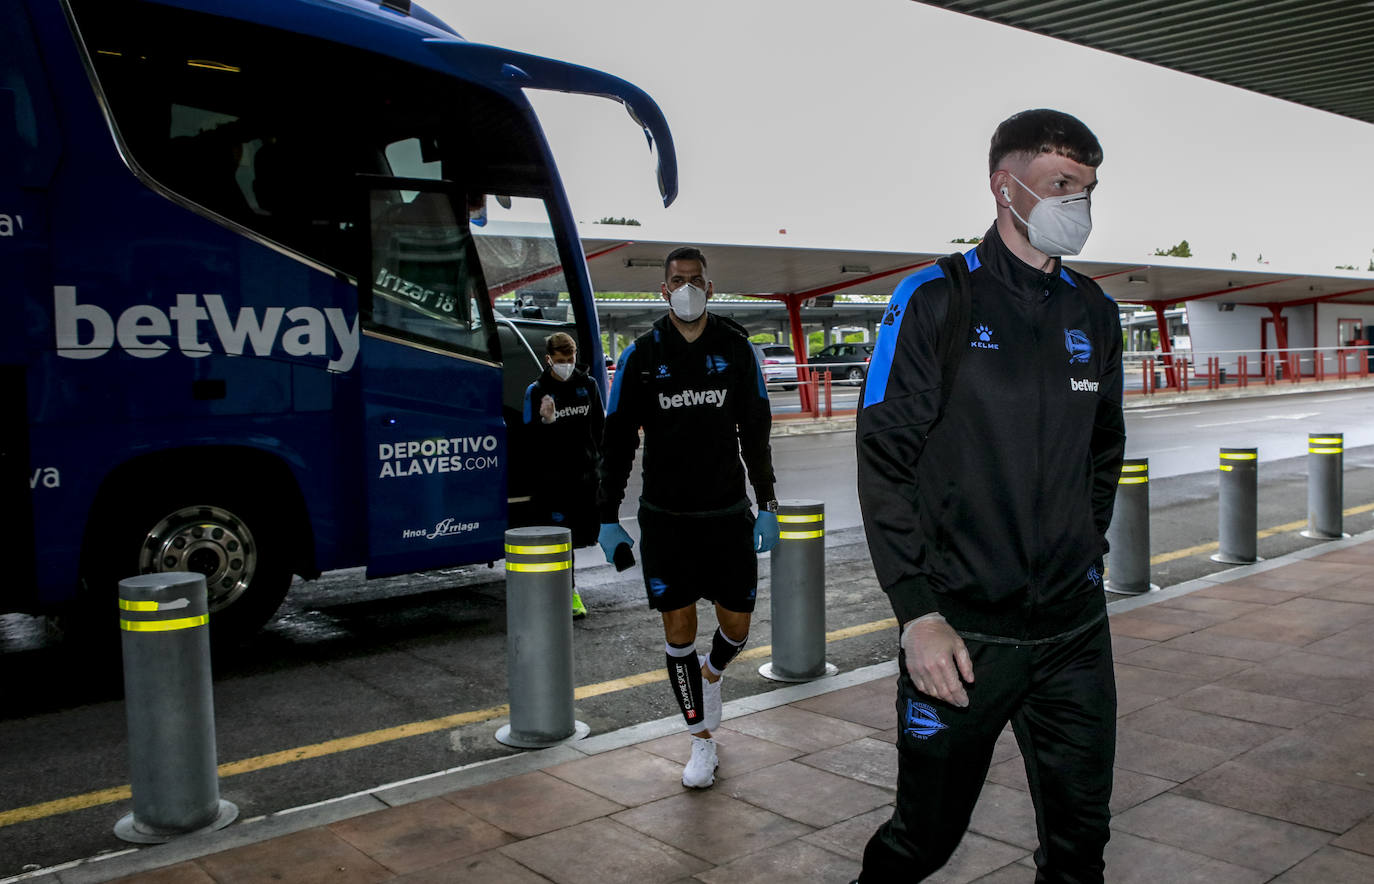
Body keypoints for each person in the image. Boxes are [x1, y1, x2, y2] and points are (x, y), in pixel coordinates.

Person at [853, 109, 1126, 883]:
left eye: (1088, 187)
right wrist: (918, 612)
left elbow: (1105, 449)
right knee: (922, 841)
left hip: (1074, 634)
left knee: (1081, 850)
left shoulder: (1094, 312)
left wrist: (1083, 545)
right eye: (1060, 185)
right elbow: (884, 460)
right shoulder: (936, 300)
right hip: (961, 637)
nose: (1079, 203)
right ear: (1005, 188)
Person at [596, 246, 780, 789]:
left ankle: (713, 674)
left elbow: (757, 434)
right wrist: (606, 517)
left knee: (737, 626)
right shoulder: (642, 354)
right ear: (663, 290)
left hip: (727, 514)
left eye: (695, 279)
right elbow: (616, 442)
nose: (687, 288)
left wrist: (767, 503)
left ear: (709, 286)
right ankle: (701, 742)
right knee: (679, 631)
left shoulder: (738, 349)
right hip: (666, 521)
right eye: (678, 280)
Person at [522, 332, 604, 618]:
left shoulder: (588, 385)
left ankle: (565, 590)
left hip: (585, 477)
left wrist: (600, 466)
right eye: (560, 360)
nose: (566, 365)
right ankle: (567, 593)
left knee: (585, 536)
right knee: (560, 539)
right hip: (553, 482)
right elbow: (528, 442)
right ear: (549, 360)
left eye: (570, 359)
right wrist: (547, 421)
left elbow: (599, 429)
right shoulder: (537, 391)